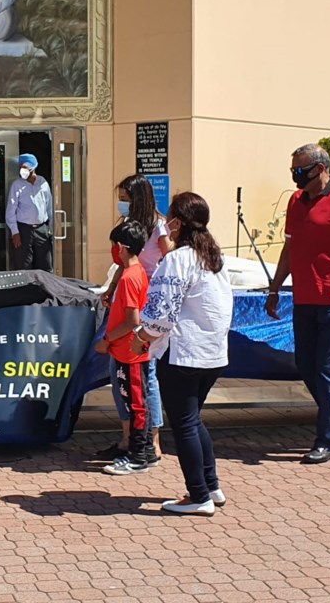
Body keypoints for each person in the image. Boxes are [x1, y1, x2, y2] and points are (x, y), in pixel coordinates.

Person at [131, 192, 233, 516]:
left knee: (185, 424)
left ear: (177, 222)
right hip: (212, 353)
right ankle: (211, 486)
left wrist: (141, 338)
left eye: (169, 216)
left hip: (183, 354)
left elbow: (162, 314)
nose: (165, 224)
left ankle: (198, 495)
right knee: (192, 420)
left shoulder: (178, 259)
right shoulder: (215, 258)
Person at [265, 143, 330, 464]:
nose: (294, 176)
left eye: (299, 171)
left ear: (319, 168)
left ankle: (326, 439)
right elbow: (289, 249)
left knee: (328, 371)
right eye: (293, 171)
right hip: (303, 298)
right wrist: (274, 289)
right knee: (306, 366)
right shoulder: (296, 200)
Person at [96, 174, 173, 463]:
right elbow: (121, 263)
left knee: (145, 376)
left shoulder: (158, 225)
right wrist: (111, 289)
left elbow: (169, 262)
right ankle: (128, 436)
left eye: (126, 199)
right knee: (122, 377)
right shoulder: (128, 230)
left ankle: (151, 440)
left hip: (145, 302)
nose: (122, 204)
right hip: (126, 293)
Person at [95, 220, 154, 475]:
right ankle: (143, 450)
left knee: (136, 404)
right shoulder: (134, 272)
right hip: (126, 350)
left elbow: (133, 320)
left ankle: (138, 455)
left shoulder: (131, 277)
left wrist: (107, 340)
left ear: (121, 246)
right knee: (135, 402)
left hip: (129, 352)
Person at [5, 153, 53, 272]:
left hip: (42, 229)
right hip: (23, 230)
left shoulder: (43, 183)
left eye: (25, 167)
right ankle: (25, 291)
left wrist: (51, 229)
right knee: (23, 266)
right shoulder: (17, 185)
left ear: (33, 167)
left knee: (46, 265)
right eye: (21, 167)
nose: (22, 170)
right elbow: (11, 210)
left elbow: (49, 207)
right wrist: (15, 232)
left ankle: (44, 290)